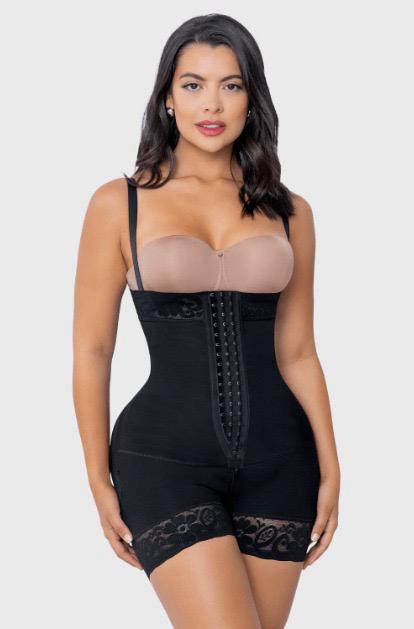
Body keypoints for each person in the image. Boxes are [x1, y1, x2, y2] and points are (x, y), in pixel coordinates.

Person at [73, 13, 340, 628]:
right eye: (192, 85)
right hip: (163, 459)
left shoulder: (290, 211)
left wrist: (331, 468)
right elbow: (92, 349)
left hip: (282, 460)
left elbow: (299, 351)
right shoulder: (120, 202)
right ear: (167, 97)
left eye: (231, 84)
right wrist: (96, 477)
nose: (211, 104)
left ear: (252, 97)